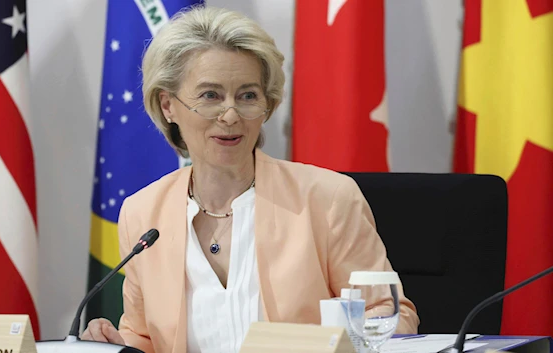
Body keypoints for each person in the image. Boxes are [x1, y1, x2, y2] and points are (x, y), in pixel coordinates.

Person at [82, 5, 419, 352]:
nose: (230, 115)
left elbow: (392, 317)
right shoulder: (142, 213)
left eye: (247, 96)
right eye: (210, 95)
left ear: (267, 105)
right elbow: (145, 337)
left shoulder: (327, 199)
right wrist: (115, 344)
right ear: (168, 105)